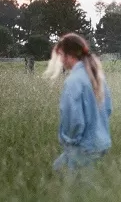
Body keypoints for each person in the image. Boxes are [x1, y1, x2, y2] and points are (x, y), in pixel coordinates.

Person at [43, 33, 112, 171]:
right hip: (101, 144)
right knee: (58, 170)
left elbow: (74, 120)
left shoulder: (73, 81)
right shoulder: (97, 77)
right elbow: (108, 109)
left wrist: (69, 142)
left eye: (62, 55)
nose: (61, 60)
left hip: (83, 147)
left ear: (70, 55)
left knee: (68, 183)